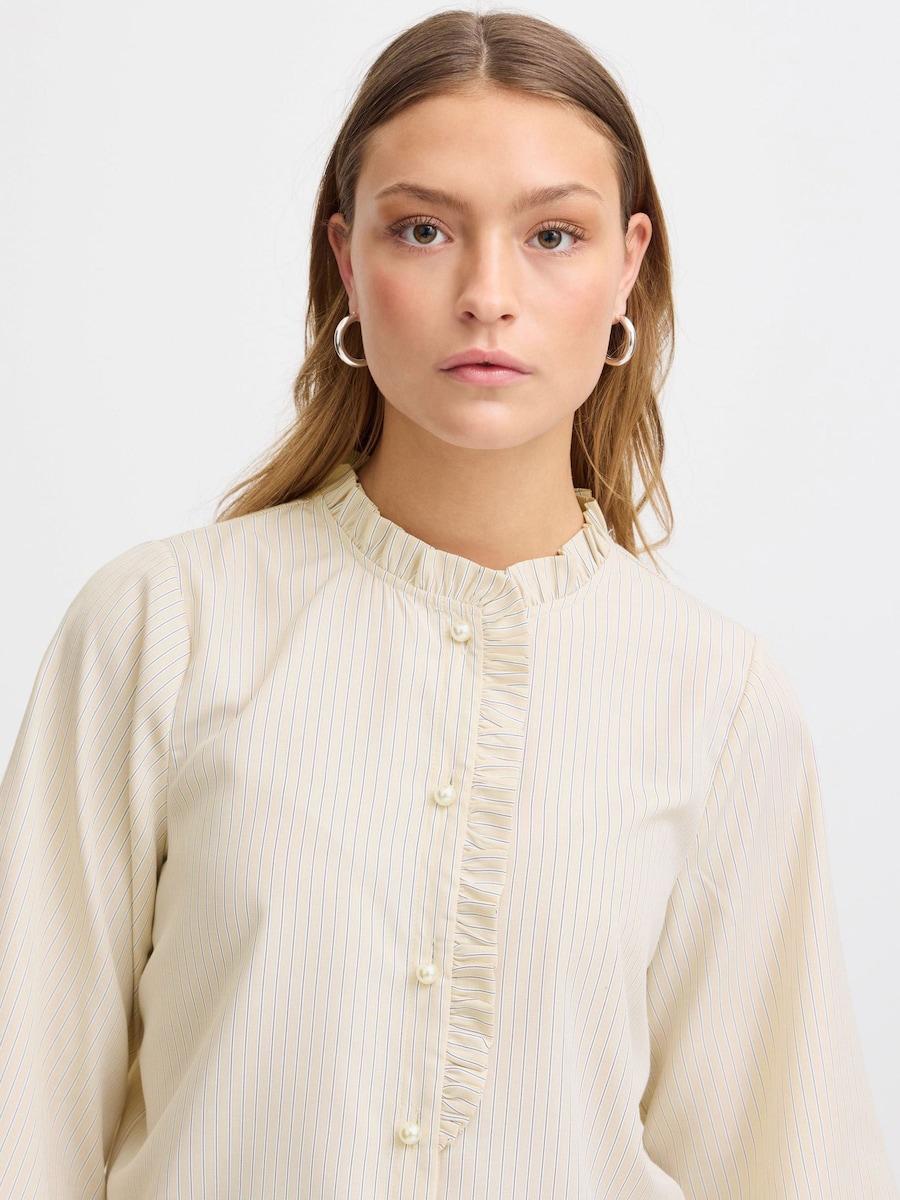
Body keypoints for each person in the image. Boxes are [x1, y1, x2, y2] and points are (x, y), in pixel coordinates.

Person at [1, 8, 896, 1199]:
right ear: (346, 261)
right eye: (423, 229)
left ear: (627, 266)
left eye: (553, 235)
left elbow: (789, 1162)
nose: (487, 294)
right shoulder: (161, 630)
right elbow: (24, 1118)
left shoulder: (719, 700)